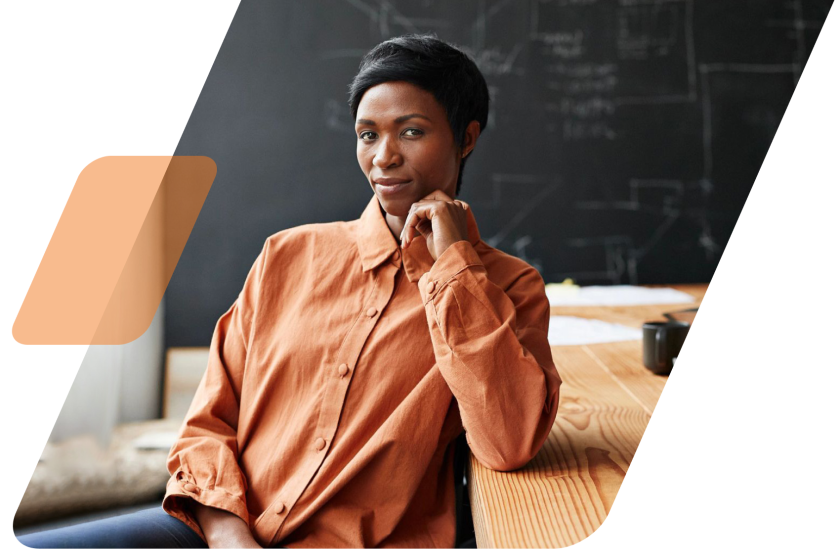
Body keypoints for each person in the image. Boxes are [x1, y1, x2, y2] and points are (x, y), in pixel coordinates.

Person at [18, 33, 561, 549]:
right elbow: (208, 423)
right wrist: (231, 535)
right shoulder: (286, 255)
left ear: (466, 138)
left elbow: (508, 442)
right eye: (368, 133)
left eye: (412, 131)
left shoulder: (509, 287)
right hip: (215, 532)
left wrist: (451, 270)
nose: (383, 157)